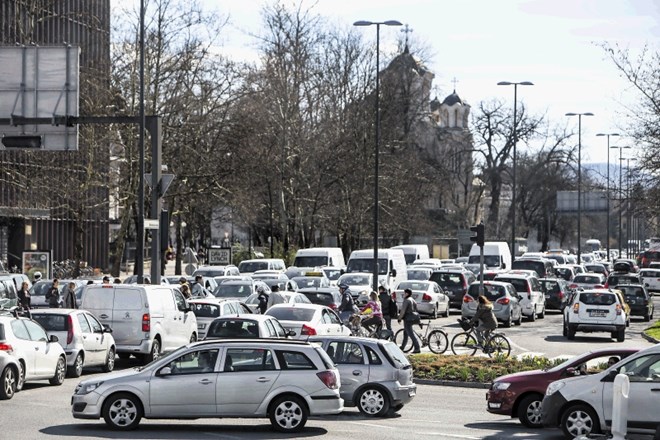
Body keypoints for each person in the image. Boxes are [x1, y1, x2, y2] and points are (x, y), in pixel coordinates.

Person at [397, 288, 421, 353]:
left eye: (404, 293)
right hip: (413, 318)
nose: (403, 295)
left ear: (407, 293)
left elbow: (403, 311)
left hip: (408, 319)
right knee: (406, 333)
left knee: (411, 334)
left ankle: (417, 348)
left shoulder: (406, 300)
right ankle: (402, 347)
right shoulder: (413, 300)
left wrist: (399, 318)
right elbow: (416, 310)